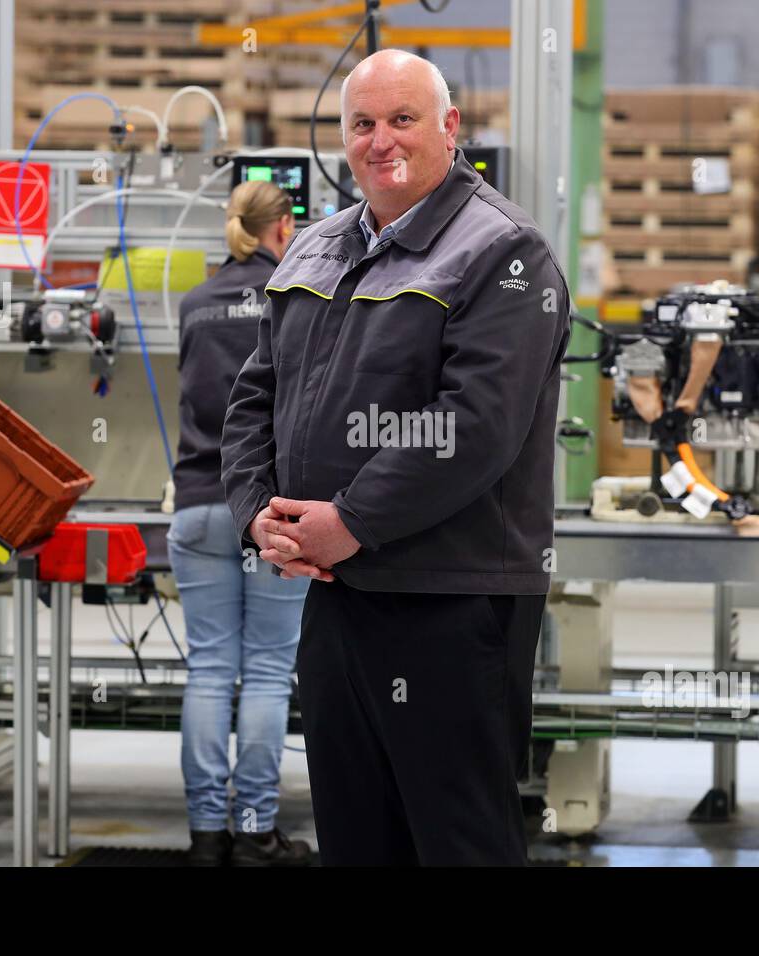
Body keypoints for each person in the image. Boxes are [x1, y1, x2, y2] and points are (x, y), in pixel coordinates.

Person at [221, 49, 571, 865]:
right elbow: (252, 400)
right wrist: (256, 517)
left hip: (451, 597)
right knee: (355, 835)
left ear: (450, 127)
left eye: (403, 119)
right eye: (363, 124)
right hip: (339, 596)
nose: (382, 141)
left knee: (457, 841)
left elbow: (473, 426)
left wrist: (353, 519)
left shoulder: (504, 254)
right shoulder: (315, 248)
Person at [167, 179, 312, 866]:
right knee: (265, 671)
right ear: (282, 227)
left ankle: (203, 837)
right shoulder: (295, 298)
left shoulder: (194, 303)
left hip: (197, 502)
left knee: (208, 670)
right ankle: (255, 832)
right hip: (272, 511)